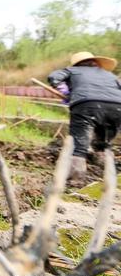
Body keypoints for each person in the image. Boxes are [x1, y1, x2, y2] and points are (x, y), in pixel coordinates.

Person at [47, 51, 121, 186]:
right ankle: (108, 173)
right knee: (104, 143)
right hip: (117, 106)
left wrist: (62, 88)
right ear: (96, 63)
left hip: (86, 105)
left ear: (77, 63)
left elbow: (54, 76)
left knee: (79, 144)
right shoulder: (109, 75)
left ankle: (75, 179)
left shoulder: (72, 70)